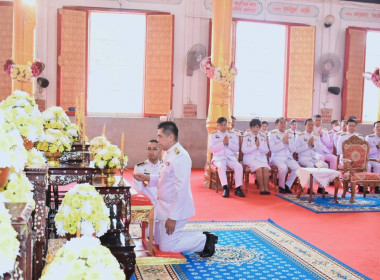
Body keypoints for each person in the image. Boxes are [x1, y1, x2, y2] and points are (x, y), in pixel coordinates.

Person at [133, 121, 217, 257]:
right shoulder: (169, 154)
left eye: (160, 136)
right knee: (158, 240)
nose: (158, 140)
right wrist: (146, 178)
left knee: (167, 247)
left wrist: (173, 217)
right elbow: (163, 179)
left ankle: (205, 240)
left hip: (175, 210)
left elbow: (181, 190)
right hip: (163, 208)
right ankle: (198, 236)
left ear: (170, 137)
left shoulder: (181, 157)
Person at [209, 117, 245, 198]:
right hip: (219, 158)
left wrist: (228, 143)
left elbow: (236, 148)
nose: (223, 127)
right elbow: (211, 149)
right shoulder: (213, 135)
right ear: (217, 126)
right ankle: (225, 188)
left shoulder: (232, 135)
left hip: (230, 158)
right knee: (221, 166)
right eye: (221, 125)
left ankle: (238, 188)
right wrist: (222, 143)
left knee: (238, 166)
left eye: (225, 124)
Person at [296, 119, 328, 194]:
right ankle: (310, 189)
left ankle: (321, 188)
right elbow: (297, 150)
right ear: (305, 126)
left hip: (313, 158)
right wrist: (307, 145)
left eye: (312, 125)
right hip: (303, 158)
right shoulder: (300, 136)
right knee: (310, 166)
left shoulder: (316, 136)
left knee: (325, 166)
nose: (310, 126)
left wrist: (313, 145)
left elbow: (320, 149)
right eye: (309, 125)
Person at [268, 117, 300, 194]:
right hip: (276, 157)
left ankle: (287, 185)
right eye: (281, 123)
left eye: (284, 123)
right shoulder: (272, 133)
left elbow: (293, 149)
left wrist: (288, 142)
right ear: (277, 125)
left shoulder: (290, 134)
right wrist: (283, 142)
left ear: (286, 125)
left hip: (288, 157)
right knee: (283, 168)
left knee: (297, 168)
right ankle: (281, 186)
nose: (283, 125)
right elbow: (273, 149)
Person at [242, 119, 270, 195]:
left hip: (261, 158)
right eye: (253, 127)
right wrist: (255, 146)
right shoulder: (246, 136)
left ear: (259, 128)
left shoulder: (263, 137)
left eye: (257, 127)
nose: (255, 129)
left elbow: (266, 151)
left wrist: (259, 146)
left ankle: (266, 188)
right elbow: (244, 150)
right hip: (250, 158)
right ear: (251, 128)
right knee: (259, 169)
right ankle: (261, 188)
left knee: (266, 169)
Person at [133, 139, 162, 207]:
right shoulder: (139, 167)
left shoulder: (164, 166)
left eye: (155, 149)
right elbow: (139, 190)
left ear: (160, 151)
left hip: (163, 205)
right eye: (149, 149)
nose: (151, 152)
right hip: (148, 204)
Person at [365, 121, 380, 193]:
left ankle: (377, 186)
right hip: (371, 158)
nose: (379, 128)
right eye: (377, 127)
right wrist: (377, 147)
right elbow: (366, 151)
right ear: (374, 129)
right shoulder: (369, 138)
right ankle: (367, 186)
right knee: (377, 166)